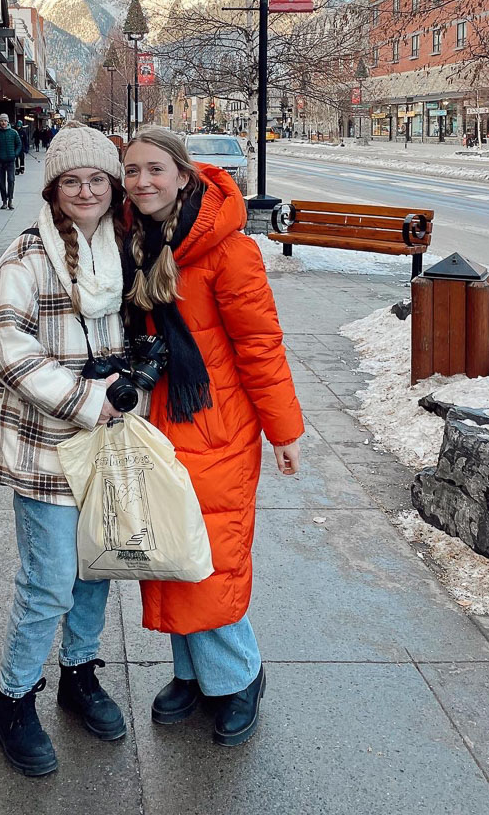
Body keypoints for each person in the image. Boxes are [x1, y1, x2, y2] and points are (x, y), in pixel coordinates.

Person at [121, 125, 303, 748]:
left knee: (211, 555)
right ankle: (192, 675)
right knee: (170, 550)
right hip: (159, 421)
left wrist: (283, 430)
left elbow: (260, 347)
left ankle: (238, 676)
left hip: (217, 423)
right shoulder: (138, 239)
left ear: (182, 173)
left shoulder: (230, 251)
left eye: (154, 169)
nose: (142, 181)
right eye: (132, 170)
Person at [0, 123, 130, 777]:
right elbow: (8, 348)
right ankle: (13, 702)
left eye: (98, 178)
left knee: (94, 568)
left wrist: (132, 381)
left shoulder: (117, 251)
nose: (86, 190)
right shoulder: (26, 256)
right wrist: (84, 398)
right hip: (46, 447)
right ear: (54, 188)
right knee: (47, 582)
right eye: (73, 180)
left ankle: (79, 673)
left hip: (102, 446)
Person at [0, 114, 22, 210]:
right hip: (0, 161)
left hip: (11, 161)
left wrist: (15, 154)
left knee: (11, 180)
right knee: (1, 182)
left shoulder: (14, 133)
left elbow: (19, 144)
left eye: (5, 121)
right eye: (2, 121)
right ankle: (4, 201)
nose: (3, 123)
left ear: (8, 122)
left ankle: (10, 199)